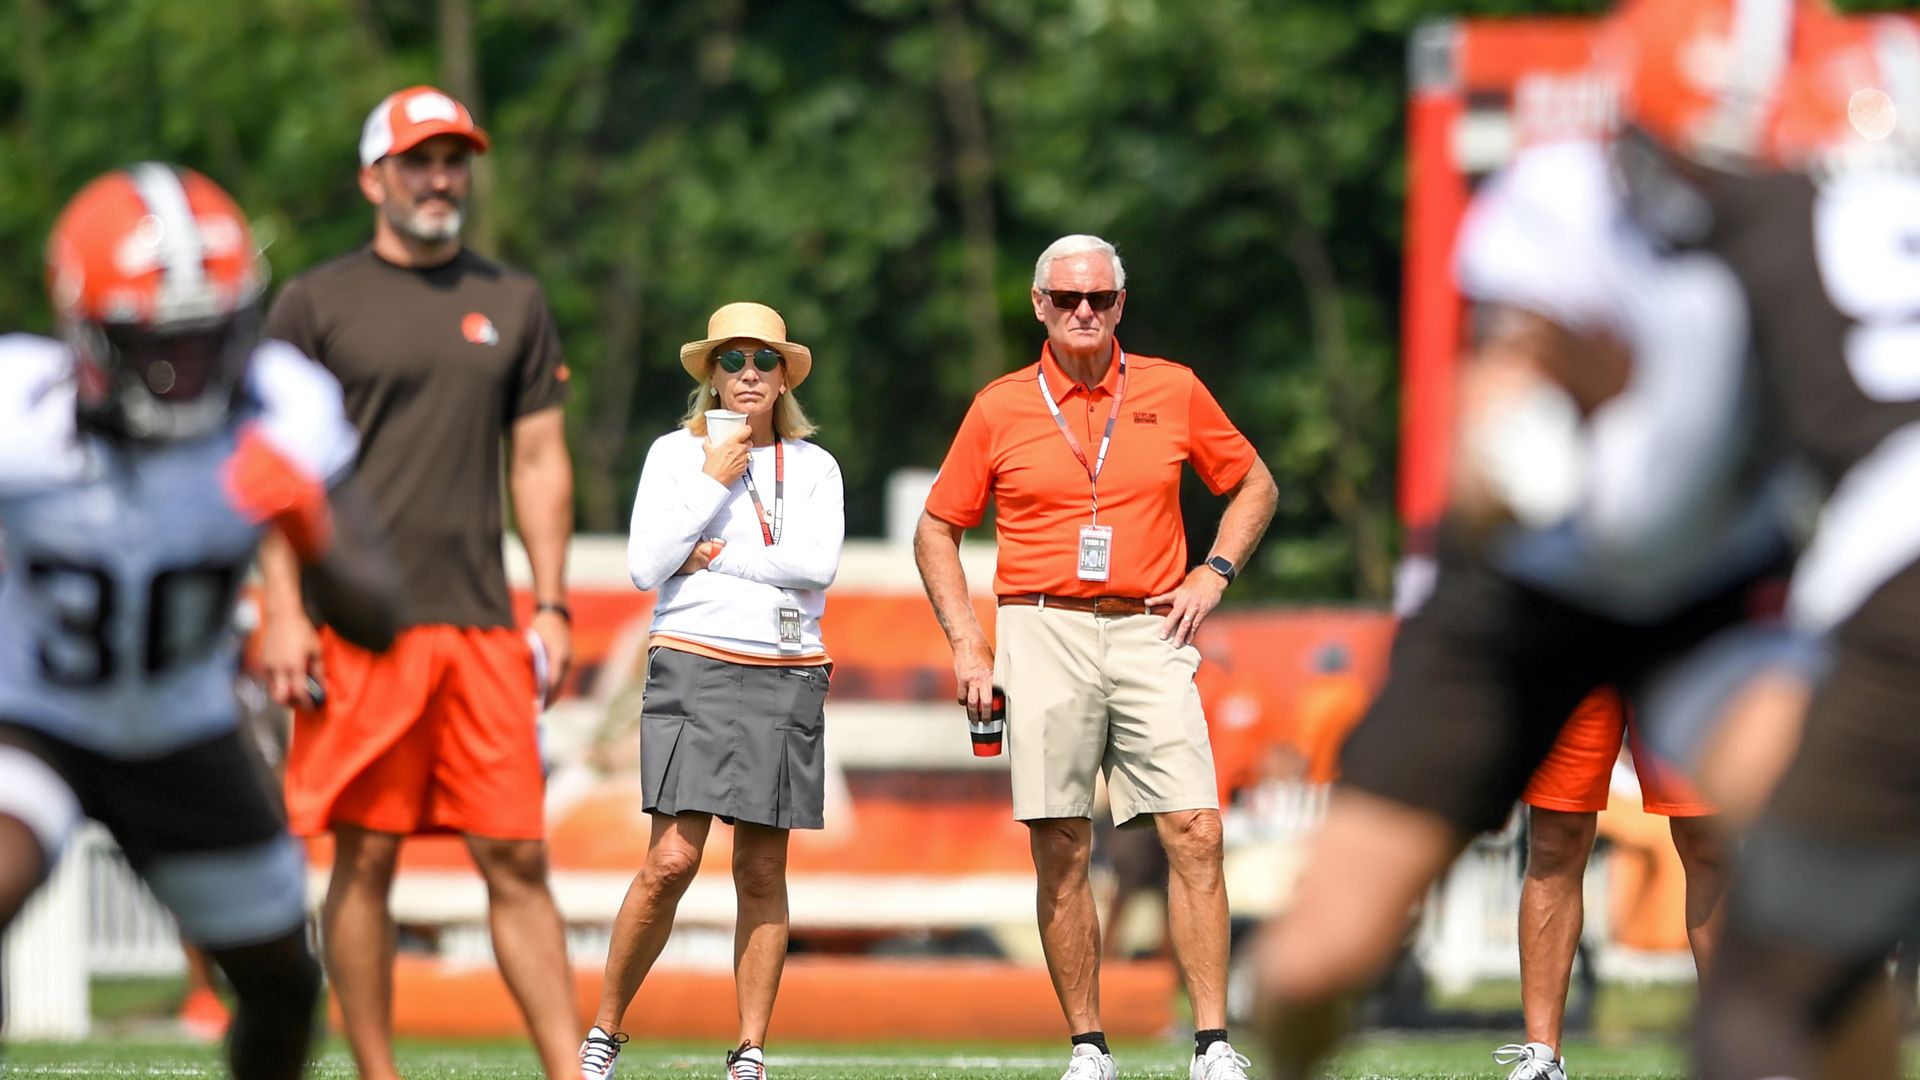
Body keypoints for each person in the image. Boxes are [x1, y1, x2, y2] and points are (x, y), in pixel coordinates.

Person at [1253, 2, 1811, 1071]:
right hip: (1534, 582)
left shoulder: (1815, 221)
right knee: (1317, 961)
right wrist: (1525, 453)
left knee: (1806, 855)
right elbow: (1492, 415)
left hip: (1715, 587)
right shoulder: (1560, 198)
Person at [0, 164, 399, 1079]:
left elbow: (380, 616)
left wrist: (311, 525)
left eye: (211, 339)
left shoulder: (280, 407)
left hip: (181, 723)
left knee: (284, 986)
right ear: (89, 337)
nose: (190, 376)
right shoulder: (19, 414)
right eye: (159, 348)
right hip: (36, 715)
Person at [256, 86, 580, 1080]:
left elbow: (538, 460)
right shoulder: (312, 305)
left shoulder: (515, 300)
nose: (440, 178)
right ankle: (376, 1074)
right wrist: (280, 610)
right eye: (418, 161)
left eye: (454, 160)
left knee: (517, 857)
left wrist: (555, 601)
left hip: (481, 626)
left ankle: (573, 1073)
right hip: (356, 631)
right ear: (373, 177)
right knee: (365, 857)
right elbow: (275, 475)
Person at [915, 234, 1279, 1080]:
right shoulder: (1001, 405)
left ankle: (1213, 1044)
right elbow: (938, 526)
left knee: (1196, 826)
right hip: (1040, 625)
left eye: (1102, 299)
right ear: (1040, 305)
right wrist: (970, 642)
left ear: (1121, 305)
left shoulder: (1173, 388)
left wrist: (1214, 573)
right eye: (1069, 298)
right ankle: (1089, 1046)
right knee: (1061, 840)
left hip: (1153, 623)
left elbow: (1255, 483)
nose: (1086, 312)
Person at [577, 301, 844, 1080]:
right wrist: (709, 486)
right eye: (732, 360)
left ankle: (750, 1050)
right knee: (671, 859)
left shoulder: (814, 465)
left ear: (784, 373)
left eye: (763, 360)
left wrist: (715, 556)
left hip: (786, 667)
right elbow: (645, 564)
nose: (748, 374)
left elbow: (815, 566)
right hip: (692, 658)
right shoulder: (674, 455)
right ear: (710, 373)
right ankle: (604, 1031)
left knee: (761, 870)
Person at [1495, 690, 1726, 1080]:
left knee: (1705, 838)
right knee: (1554, 840)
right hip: (1575, 642)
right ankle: (1541, 1058)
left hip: (1676, 642)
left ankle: (1732, 1051)